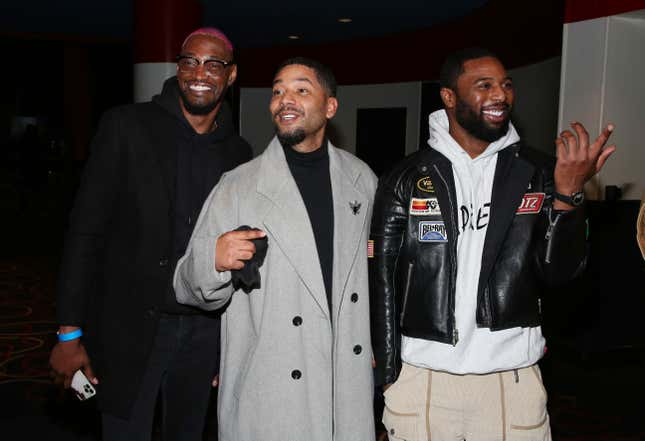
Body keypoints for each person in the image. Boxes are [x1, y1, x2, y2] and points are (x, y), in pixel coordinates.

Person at [369, 48, 615, 441]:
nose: (500, 94)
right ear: (449, 97)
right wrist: (386, 378)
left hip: (510, 381)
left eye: (506, 85)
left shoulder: (538, 172)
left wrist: (568, 196)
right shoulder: (406, 177)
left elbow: (560, 275)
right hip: (424, 379)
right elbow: (381, 279)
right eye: (484, 85)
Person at [49, 27, 252, 441]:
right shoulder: (126, 126)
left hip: (203, 332)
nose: (200, 72)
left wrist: (232, 345)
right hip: (131, 328)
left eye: (214, 64)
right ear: (178, 69)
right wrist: (68, 332)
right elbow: (85, 232)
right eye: (189, 61)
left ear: (230, 77)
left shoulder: (239, 153)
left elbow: (240, 254)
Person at [174, 57, 377, 441]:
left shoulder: (362, 181)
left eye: (301, 90)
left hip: (343, 391)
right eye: (278, 90)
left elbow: (374, 275)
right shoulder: (238, 186)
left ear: (330, 107)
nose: (285, 99)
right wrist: (213, 261)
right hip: (271, 394)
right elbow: (184, 282)